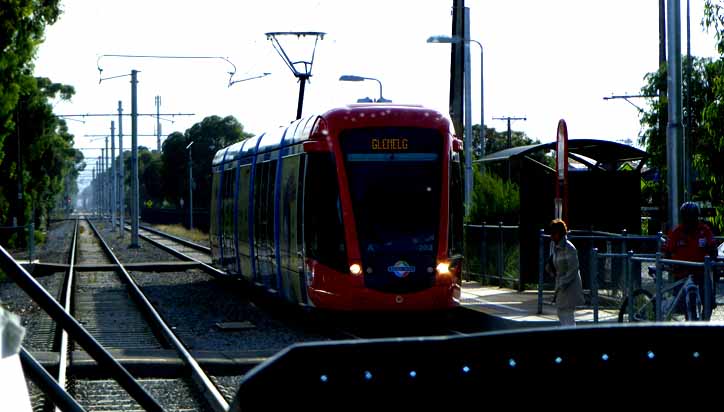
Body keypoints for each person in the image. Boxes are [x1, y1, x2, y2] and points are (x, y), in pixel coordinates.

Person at [663, 202, 717, 312]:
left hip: (701, 272)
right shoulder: (676, 233)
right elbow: (667, 251)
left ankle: (705, 323)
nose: (690, 220)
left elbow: (713, 249)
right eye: (687, 217)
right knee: (681, 306)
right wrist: (671, 265)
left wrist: (712, 260)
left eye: (693, 216)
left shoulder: (704, 231)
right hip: (682, 274)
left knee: (708, 302)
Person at [546, 219, 585, 326]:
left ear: (559, 234)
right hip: (561, 285)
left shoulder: (569, 248)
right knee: (561, 312)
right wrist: (550, 269)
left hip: (569, 286)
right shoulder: (555, 247)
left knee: (567, 313)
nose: (551, 236)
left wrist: (563, 282)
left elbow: (573, 269)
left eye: (553, 233)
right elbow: (555, 263)